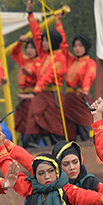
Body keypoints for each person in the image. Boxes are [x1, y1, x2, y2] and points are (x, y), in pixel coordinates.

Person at [28, 10, 70, 145]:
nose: (43, 43)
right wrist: (30, 14)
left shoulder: (60, 58)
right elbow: (36, 35)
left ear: (52, 42)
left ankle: (60, 149)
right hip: (40, 95)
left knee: (54, 124)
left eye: (46, 40)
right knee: (32, 121)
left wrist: (36, 90)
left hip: (52, 95)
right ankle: (32, 148)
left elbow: (49, 75)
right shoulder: (44, 54)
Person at [9, 6, 43, 145]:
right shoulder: (24, 60)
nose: (29, 50)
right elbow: (14, 53)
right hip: (22, 96)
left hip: (33, 97)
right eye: (27, 47)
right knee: (22, 124)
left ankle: (35, 145)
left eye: (32, 48)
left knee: (32, 125)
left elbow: (36, 72)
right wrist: (19, 43)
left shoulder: (40, 61)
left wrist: (29, 72)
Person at [62, 34, 97, 140]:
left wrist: (85, 89)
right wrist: (58, 26)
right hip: (69, 100)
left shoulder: (90, 62)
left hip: (82, 98)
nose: (77, 49)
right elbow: (63, 47)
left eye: (80, 46)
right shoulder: (71, 60)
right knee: (68, 132)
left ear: (86, 47)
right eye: (75, 46)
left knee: (86, 129)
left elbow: (89, 76)